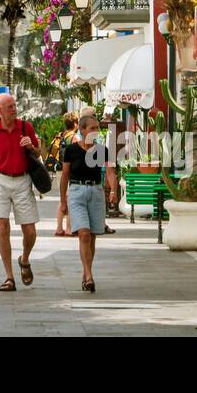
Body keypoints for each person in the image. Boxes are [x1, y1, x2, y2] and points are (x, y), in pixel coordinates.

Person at [0, 93, 41, 292]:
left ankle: (25, 259)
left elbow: (38, 153)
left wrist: (31, 146)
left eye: (14, 105)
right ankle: (9, 277)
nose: (14, 109)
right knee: (2, 226)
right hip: (1, 180)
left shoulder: (25, 127)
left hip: (22, 180)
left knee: (30, 231)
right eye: (9, 106)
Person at [60, 114, 119, 293]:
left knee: (92, 236)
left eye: (97, 128)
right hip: (77, 192)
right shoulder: (71, 150)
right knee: (84, 234)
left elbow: (110, 172)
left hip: (96, 192)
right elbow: (64, 176)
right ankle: (88, 275)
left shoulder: (102, 150)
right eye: (92, 128)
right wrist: (63, 201)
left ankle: (87, 273)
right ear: (82, 130)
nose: (96, 131)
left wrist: (114, 191)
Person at [52, 112, 80, 236]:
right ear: (75, 123)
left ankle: (59, 227)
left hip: (59, 169)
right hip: (70, 170)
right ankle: (69, 228)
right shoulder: (74, 137)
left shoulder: (60, 135)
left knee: (63, 198)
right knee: (71, 199)